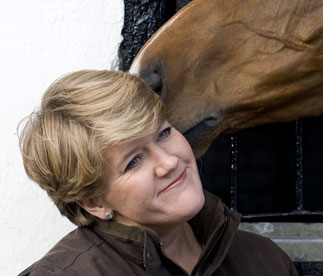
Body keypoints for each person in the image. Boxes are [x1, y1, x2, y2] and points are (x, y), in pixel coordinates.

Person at [18, 70, 298, 275]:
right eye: (134, 161)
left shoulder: (265, 260)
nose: (169, 163)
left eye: (163, 133)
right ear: (93, 202)